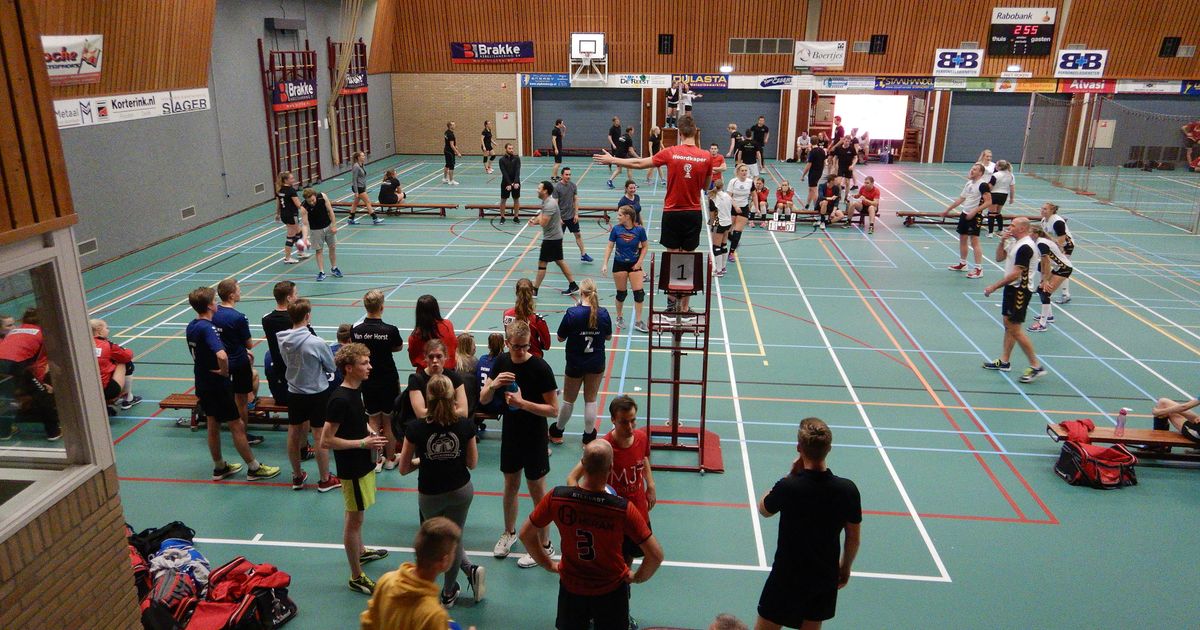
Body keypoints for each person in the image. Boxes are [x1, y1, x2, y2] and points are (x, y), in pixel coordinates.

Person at [519, 439, 663, 630]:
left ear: (583, 464)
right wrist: (637, 577)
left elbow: (525, 534)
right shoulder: (622, 509)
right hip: (611, 590)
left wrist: (548, 564)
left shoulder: (557, 497)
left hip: (572, 588)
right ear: (611, 468)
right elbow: (655, 555)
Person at [594, 114, 713, 312]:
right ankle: (685, 307)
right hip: (693, 213)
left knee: (672, 256)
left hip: (672, 213)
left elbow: (639, 164)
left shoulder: (671, 152)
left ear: (680, 133)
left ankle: (670, 303)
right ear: (695, 131)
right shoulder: (706, 156)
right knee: (688, 258)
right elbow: (705, 186)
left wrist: (612, 158)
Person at [756, 417, 861, 630]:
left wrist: (791, 474)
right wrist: (845, 567)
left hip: (786, 576)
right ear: (829, 448)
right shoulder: (848, 490)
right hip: (823, 577)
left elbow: (764, 509)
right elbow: (853, 538)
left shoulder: (788, 486)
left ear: (798, 448)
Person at [564, 396, 657, 630]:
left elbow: (643, 459)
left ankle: (621, 610)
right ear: (613, 420)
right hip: (611, 522)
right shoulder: (603, 448)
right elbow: (572, 478)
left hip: (637, 517)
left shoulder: (642, 438)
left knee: (625, 569)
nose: (630, 427)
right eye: (624, 422)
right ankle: (610, 614)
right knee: (612, 572)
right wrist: (588, 503)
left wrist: (651, 485)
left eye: (633, 421)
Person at [399, 373, 484, 607]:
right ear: (452, 397)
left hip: (430, 494)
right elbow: (472, 463)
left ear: (428, 398)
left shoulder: (415, 428)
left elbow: (403, 468)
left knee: (434, 541)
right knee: (454, 539)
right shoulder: (466, 425)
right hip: (460, 490)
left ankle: (424, 586)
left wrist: (422, 461)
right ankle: (448, 592)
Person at [480, 320, 559, 569]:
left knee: (537, 490)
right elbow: (483, 398)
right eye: (516, 347)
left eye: (525, 346)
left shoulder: (540, 368)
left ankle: (545, 544)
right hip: (511, 434)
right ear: (507, 343)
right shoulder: (501, 363)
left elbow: (553, 410)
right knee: (510, 485)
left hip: (535, 434)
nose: (521, 351)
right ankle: (509, 532)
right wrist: (493, 384)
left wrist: (523, 403)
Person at [186, 287, 280, 481]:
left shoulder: (192, 325)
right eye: (214, 301)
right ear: (211, 305)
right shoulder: (207, 327)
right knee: (236, 425)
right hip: (217, 385)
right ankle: (254, 468)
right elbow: (221, 354)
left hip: (202, 381)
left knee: (213, 422)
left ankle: (219, 466)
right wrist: (224, 370)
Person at [322, 343, 390, 594]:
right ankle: (356, 576)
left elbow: (359, 419)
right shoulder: (339, 399)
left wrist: (370, 432)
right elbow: (326, 441)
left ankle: (361, 551)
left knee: (358, 515)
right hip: (351, 468)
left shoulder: (356, 390)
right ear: (349, 368)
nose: (370, 366)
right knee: (354, 519)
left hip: (364, 463)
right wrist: (363, 442)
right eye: (364, 363)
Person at [276, 299, 339, 492]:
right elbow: (331, 366)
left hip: (294, 391)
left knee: (294, 433)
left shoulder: (282, 339)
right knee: (319, 435)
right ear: (307, 316)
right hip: (317, 393)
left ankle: (296, 477)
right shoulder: (316, 342)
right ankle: (324, 479)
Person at [359, 517, 461, 629]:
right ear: (444, 561)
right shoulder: (433, 615)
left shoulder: (386, 580)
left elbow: (368, 623)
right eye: (453, 551)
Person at [982, 217, 1046, 384]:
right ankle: (1004, 361)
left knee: (1015, 328)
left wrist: (994, 286)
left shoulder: (1026, 247)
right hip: (1012, 289)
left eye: (1013, 225)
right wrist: (1002, 241)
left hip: (1020, 290)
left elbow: (1016, 274)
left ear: (1022, 229)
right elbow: (999, 258)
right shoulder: (1014, 242)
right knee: (1008, 325)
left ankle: (1036, 366)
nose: (1009, 227)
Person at [551, 279, 612, 445]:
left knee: (568, 400)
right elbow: (608, 336)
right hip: (596, 362)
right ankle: (588, 437)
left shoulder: (572, 313)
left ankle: (558, 431)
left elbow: (560, 337)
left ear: (581, 293)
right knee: (591, 399)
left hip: (575, 362)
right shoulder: (604, 313)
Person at [351, 290, 404, 471]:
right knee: (388, 420)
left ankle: (376, 460)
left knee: (373, 420)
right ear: (382, 307)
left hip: (367, 379)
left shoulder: (356, 330)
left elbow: (355, 349)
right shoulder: (390, 330)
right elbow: (397, 347)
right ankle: (390, 459)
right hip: (388, 378)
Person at [213, 279, 262, 436]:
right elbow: (249, 344)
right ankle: (242, 435)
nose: (241, 292)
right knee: (241, 402)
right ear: (232, 295)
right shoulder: (239, 317)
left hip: (220, 363)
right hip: (238, 363)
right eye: (239, 289)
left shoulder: (213, 314)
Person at [0, 308, 58, 440]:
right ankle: (53, 432)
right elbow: (38, 364)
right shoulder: (42, 334)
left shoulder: (15, 331)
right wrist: (42, 384)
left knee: (6, 396)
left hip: (4, 363)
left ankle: (4, 432)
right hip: (16, 364)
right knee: (42, 395)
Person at [397, 340, 469, 436]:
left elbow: (464, 412)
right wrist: (450, 410)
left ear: (446, 357)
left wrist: (432, 412)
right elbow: (421, 414)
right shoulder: (416, 379)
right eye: (431, 357)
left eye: (439, 356)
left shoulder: (454, 377)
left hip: (449, 428)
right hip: (425, 429)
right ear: (425, 358)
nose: (435, 361)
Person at [941, 162, 992, 280]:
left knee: (974, 241)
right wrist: (948, 210)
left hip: (976, 215)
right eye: (972, 169)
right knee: (962, 238)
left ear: (980, 172)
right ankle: (963, 263)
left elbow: (989, 202)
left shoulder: (983, 185)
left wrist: (975, 211)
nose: (972, 171)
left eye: (975, 169)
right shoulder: (969, 183)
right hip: (965, 214)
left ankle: (979, 269)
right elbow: (961, 199)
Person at [603, 206, 650, 329]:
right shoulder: (616, 230)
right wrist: (605, 263)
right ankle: (619, 317)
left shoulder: (639, 230)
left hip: (634, 264)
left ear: (627, 216)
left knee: (639, 294)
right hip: (619, 264)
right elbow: (609, 247)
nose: (617, 217)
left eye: (619, 215)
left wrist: (640, 262)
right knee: (621, 294)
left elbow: (645, 246)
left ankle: (638, 322)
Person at [531, 180, 580, 296]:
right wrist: (534, 219)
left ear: (545, 191)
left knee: (542, 263)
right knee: (560, 261)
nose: (537, 190)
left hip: (551, 239)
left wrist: (537, 221)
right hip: (555, 236)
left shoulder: (549, 204)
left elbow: (543, 222)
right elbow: (541, 216)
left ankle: (535, 290)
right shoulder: (547, 201)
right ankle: (573, 285)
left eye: (539, 188)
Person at [1026, 225, 1073, 333]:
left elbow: (1046, 262)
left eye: (1029, 232)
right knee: (1040, 290)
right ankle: (1049, 316)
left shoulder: (1041, 243)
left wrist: (1045, 280)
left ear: (1036, 234)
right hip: (1059, 268)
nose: (1028, 234)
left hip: (1064, 268)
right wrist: (1043, 279)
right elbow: (1043, 263)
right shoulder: (1039, 242)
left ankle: (1042, 324)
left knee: (1045, 292)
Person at [91, 319, 141, 410]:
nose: (108, 330)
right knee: (125, 362)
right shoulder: (108, 345)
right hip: (107, 390)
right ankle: (127, 398)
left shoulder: (82, 345)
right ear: (99, 331)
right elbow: (127, 356)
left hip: (87, 390)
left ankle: (107, 402)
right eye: (106, 328)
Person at [262, 281, 298, 406]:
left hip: (277, 365)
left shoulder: (266, 319)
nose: (297, 297)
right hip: (295, 367)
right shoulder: (295, 319)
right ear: (289, 298)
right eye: (295, 294)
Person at [502, 278, 552, 357]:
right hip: (534, 360)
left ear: (516, 292)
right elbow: (546, 345)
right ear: (532, 292)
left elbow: (508, 337)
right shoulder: (537, 320)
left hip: (514, 358)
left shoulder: (507, 314)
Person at [407, 294, 459, 370]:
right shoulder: (448, 325)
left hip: (425, 376)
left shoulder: (415, 336)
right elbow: (454, 346)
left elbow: (413, 361)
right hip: (448, 374)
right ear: (436, 309)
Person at [302, 188, 342, 281]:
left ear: (315, 196)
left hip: (328, 226)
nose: (311, 202)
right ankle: (321, 272)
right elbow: (304, 223)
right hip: (315, 230)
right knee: (319, 251)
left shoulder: (322, 197)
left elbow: (330, 211)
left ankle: (334, 268)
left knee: (332, 247)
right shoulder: (304, 207)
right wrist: (304, 238)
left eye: (313, 200)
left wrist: (334, 225)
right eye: (309, 201)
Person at [1040, 202, 1075, 305]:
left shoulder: (1057, 222)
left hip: (1066, 246)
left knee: (1062, 267)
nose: (1042, 210)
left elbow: (1062, 238)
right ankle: (1042, 285)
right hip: (1055, 245)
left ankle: (1065, 294)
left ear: (1052, 210)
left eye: (1045, 209)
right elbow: (1046, 235)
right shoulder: (1043, 221)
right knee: (1044, 265)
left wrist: (1058, 250)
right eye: (1042, 208)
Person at [555, 168, 592, 262]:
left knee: (578, 235)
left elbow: (575, 200)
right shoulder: (557, 187)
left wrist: (576, 214)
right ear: (562, 175)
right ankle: (557, 255)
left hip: (571, 216)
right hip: (561, 218)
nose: (568, 176)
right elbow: (555, 204)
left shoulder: (573, 186)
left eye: (569, 174)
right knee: (559, 238)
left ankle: (583, 254)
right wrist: (558, 218)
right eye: (566, 175)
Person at [275, 171, 305, 264]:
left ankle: (300, 252)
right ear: (286, 180)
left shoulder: (280, 190)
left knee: (298, 232)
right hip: (292, 215)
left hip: (284, 215)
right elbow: (298, 204)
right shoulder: (291, 190)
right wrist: (306, 207)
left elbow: (278, 203)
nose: (294, 180)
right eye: (291, 178)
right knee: (291, 236)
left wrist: (277, 214)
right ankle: (287, 258)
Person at [475, 333, 506, 422]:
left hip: (480, 404)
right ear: (503, 344)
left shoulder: (482, 359)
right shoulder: (503, 362)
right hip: (496, 406)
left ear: (488, 346)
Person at [727, 164, 753, 262]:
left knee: (738, 231)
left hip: (744, 208)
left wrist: (757, 208)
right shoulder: (733, 181)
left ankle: (731, 253)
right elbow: (729, 196)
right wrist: (735, 206)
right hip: (732, 207)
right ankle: (734, 241)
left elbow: (754, 195)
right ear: (738, 172)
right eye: (742, 170)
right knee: (728, 231)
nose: (744, 172)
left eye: (745, 170)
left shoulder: (750, 182)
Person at [347, 151, 381, 224]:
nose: (364, 157)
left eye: (364, 155)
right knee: (368, 202)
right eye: (362, 156)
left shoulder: (362, 165)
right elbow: (354, 179)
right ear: (358, 157)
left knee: (355, 203)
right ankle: (375, 218)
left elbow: (363, 178)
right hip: (358, 188)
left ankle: (350, 219)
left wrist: (365, 187)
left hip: (362, 187)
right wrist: (356, 191)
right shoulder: (356, 166)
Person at [708, 180, 734, 276]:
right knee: (724, 245)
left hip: (719, 222)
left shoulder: (713, 198)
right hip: (728, 222)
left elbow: (712, 214)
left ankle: (718, 271)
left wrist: (711, 224)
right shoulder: (728, 196)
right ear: (723, 186)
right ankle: (723, 268)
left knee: (716, 247)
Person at [986, 160, 1015, 238]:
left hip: (995, 194)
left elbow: (990, 186)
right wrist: (1011, 198)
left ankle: (990, 232)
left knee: (991, 213)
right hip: (1004, 195)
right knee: (998, 212)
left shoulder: (995, 175)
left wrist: (985, 192)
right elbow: (1012, 187)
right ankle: (1000, 230)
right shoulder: (1010, 175)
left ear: (999, 167)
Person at [454, 333, 480, 421]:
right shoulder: (474, 362)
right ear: (468, 347)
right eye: (473, 345)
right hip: (471, 403)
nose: (475, 348)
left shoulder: (453, 361)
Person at [498, 143, 521, 224]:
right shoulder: (501, 160)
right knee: (503, 200)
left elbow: (518, 171)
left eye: (512, 148)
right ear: (506, 149)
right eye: (509, 148)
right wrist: (509, 184)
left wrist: (515, 182)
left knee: (516, 199)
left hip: (516, 182)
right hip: (505, 182)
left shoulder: (517, 158)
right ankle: (502, 217)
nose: (511, 150)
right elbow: (504, 172)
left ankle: (516, 217)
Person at [801, 140, 827, 211]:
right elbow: (824, 162)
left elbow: (809, 165)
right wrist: (822, 170)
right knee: (811, 189)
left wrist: (803, 175)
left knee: (814, 190)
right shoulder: (822, 150)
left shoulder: (812, 152)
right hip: (819, 172)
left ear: (810, 143)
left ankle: (817, 207)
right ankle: (807, 204)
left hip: (813, 173)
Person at [830, 135, 857, 202]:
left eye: (848, 141)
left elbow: (855, 158)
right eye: (845, 140)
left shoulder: (852, 149)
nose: (846, 142)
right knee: (838, 182)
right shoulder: (839, 148)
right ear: (843, 141)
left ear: (850, 142)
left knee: (847, 183)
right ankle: (839, 195)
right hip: (841, 167)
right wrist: (834, 165)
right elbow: (835, 157)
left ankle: (845, 197)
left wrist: (853, 165)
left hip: (848, 168)